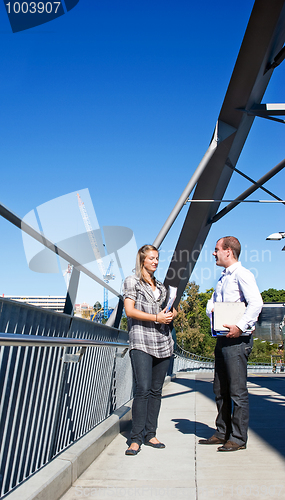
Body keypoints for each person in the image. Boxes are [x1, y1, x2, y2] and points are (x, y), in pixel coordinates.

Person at [199, 236, 263, 452]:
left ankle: (237, 438)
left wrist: (240, 326)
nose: (213, 253)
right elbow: (214, 303)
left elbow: (256, 303)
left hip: (237, 339)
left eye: (216, 249)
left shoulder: (242, 274)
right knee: (220, 388)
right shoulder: (223, 278)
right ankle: (222, 432)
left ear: (228, 251)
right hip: (223, 338)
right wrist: (211, 308)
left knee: (237, 391)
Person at [123, 244, 177, 456]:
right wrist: (156, 317)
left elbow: (165, 312)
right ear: (142, 260)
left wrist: (169, 314)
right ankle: (135, 439)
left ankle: (150, 434)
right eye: (151, 258)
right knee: (143, 388)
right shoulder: (131, 281)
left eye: (157, 258)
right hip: (141, 341)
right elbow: (129, 310)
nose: (155, 262)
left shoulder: (162, 287)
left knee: (156, 391)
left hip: (162, 342)